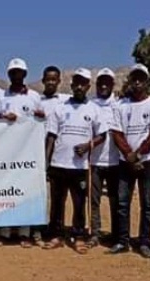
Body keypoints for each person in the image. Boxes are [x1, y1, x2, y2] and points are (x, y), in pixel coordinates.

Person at [42, 68, 107, 254]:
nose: (79, 86)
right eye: (76, 83)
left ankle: (79, 236)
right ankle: (57, 235)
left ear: (88, 86)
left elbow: (102, 135)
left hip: (80, 167)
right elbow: (52, 136)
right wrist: (47, 162)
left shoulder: (94, 109)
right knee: (57, 203)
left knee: (79, 204)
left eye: (83, 83)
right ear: (71, 85)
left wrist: (88, 145)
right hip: (58, 164)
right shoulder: (60, 108)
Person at [107, 64, 150, 257]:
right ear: (130, 81)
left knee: (147, 203)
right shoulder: (120, 105)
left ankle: (144, 241)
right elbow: (117, 133)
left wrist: (138, 154)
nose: (137, 83)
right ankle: (123, 240)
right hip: (125, 162)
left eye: (141, 79)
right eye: (134, 79)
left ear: (147, 82)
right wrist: (130, 156)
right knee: (123, 202)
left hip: (148, 161)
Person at [0, 57, 44, 247]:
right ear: (8, 75)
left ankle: (24, 232)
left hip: (27, 153)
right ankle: (4, 232)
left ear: (24, 74)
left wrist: (37, 118)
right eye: (12, 73)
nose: (16, 76)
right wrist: (3, 120)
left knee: (25, 191)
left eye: (19, 73)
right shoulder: (0, 97)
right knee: (5, 190)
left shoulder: (34, 97)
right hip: (5, 153)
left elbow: (40, 122)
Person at [33, 65, 69, 247]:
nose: (51, 82)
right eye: (48, 79)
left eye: (54, 79)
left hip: (58, 155)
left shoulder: (66, 101)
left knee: (57, 196)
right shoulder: (35, 101)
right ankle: (37, 228)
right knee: (37, 193)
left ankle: (57, 229)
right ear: (43, 80)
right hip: (34, 152)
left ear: (59, 81)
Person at [88, 68, 121, 247]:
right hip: (94, 161)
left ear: (112, 85)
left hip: (115, 161)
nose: (103, 86)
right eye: (100, 82)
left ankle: (116, 234)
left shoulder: (119, 105)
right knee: (94, 200)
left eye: (107, 83)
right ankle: (95, 233)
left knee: (116, 200)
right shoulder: (90, 105)